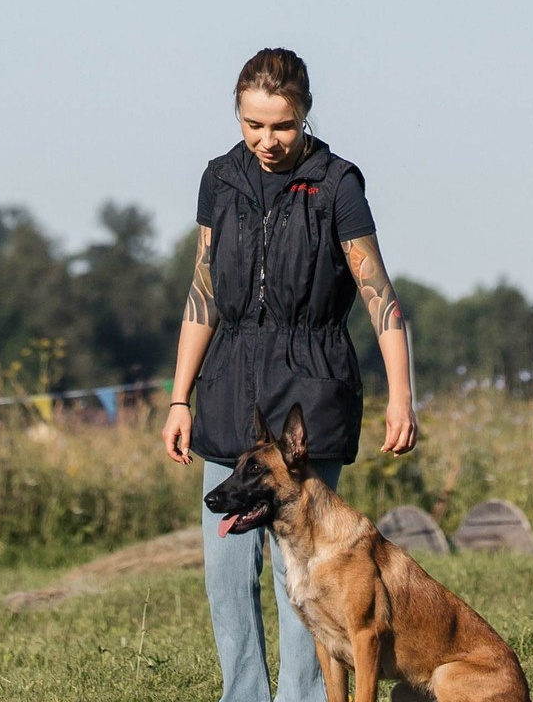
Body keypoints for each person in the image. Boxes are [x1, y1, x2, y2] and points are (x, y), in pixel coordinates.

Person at [162, 46, 417, 702]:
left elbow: (379, 295)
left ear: (304, 114)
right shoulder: (220, 178)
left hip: (312, 390)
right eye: (253, 124)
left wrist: (401, 397)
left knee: (305, 577)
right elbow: (203, 292)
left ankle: (302, 699)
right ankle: (241, 695)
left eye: (281, 125)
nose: (267, 140)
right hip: (230, 391)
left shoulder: (338, 184)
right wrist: (178, 398)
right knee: (225, 566)